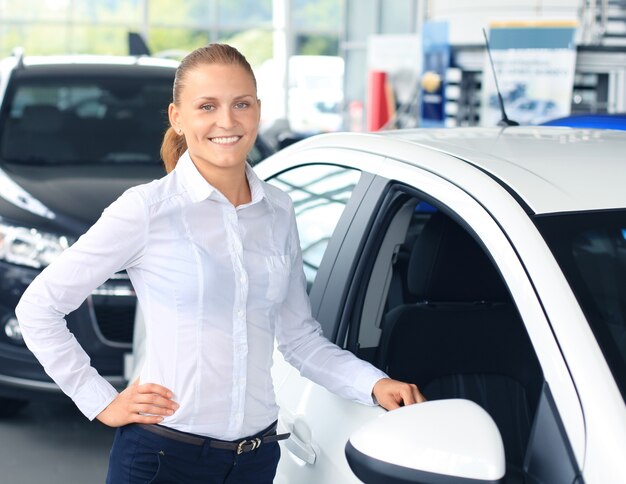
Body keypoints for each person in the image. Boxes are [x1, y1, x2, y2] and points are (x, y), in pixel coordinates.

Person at [15, 43, 425, 484]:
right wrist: (99, 400)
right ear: (177, 117)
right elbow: (38, 308)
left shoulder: (278, 209)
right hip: (161, 459)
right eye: (207, 106)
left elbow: (299, 340)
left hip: (256, 460)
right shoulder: (147, 210)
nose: (227, 121)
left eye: (241, 104)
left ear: (258, 111)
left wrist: (373, 384)